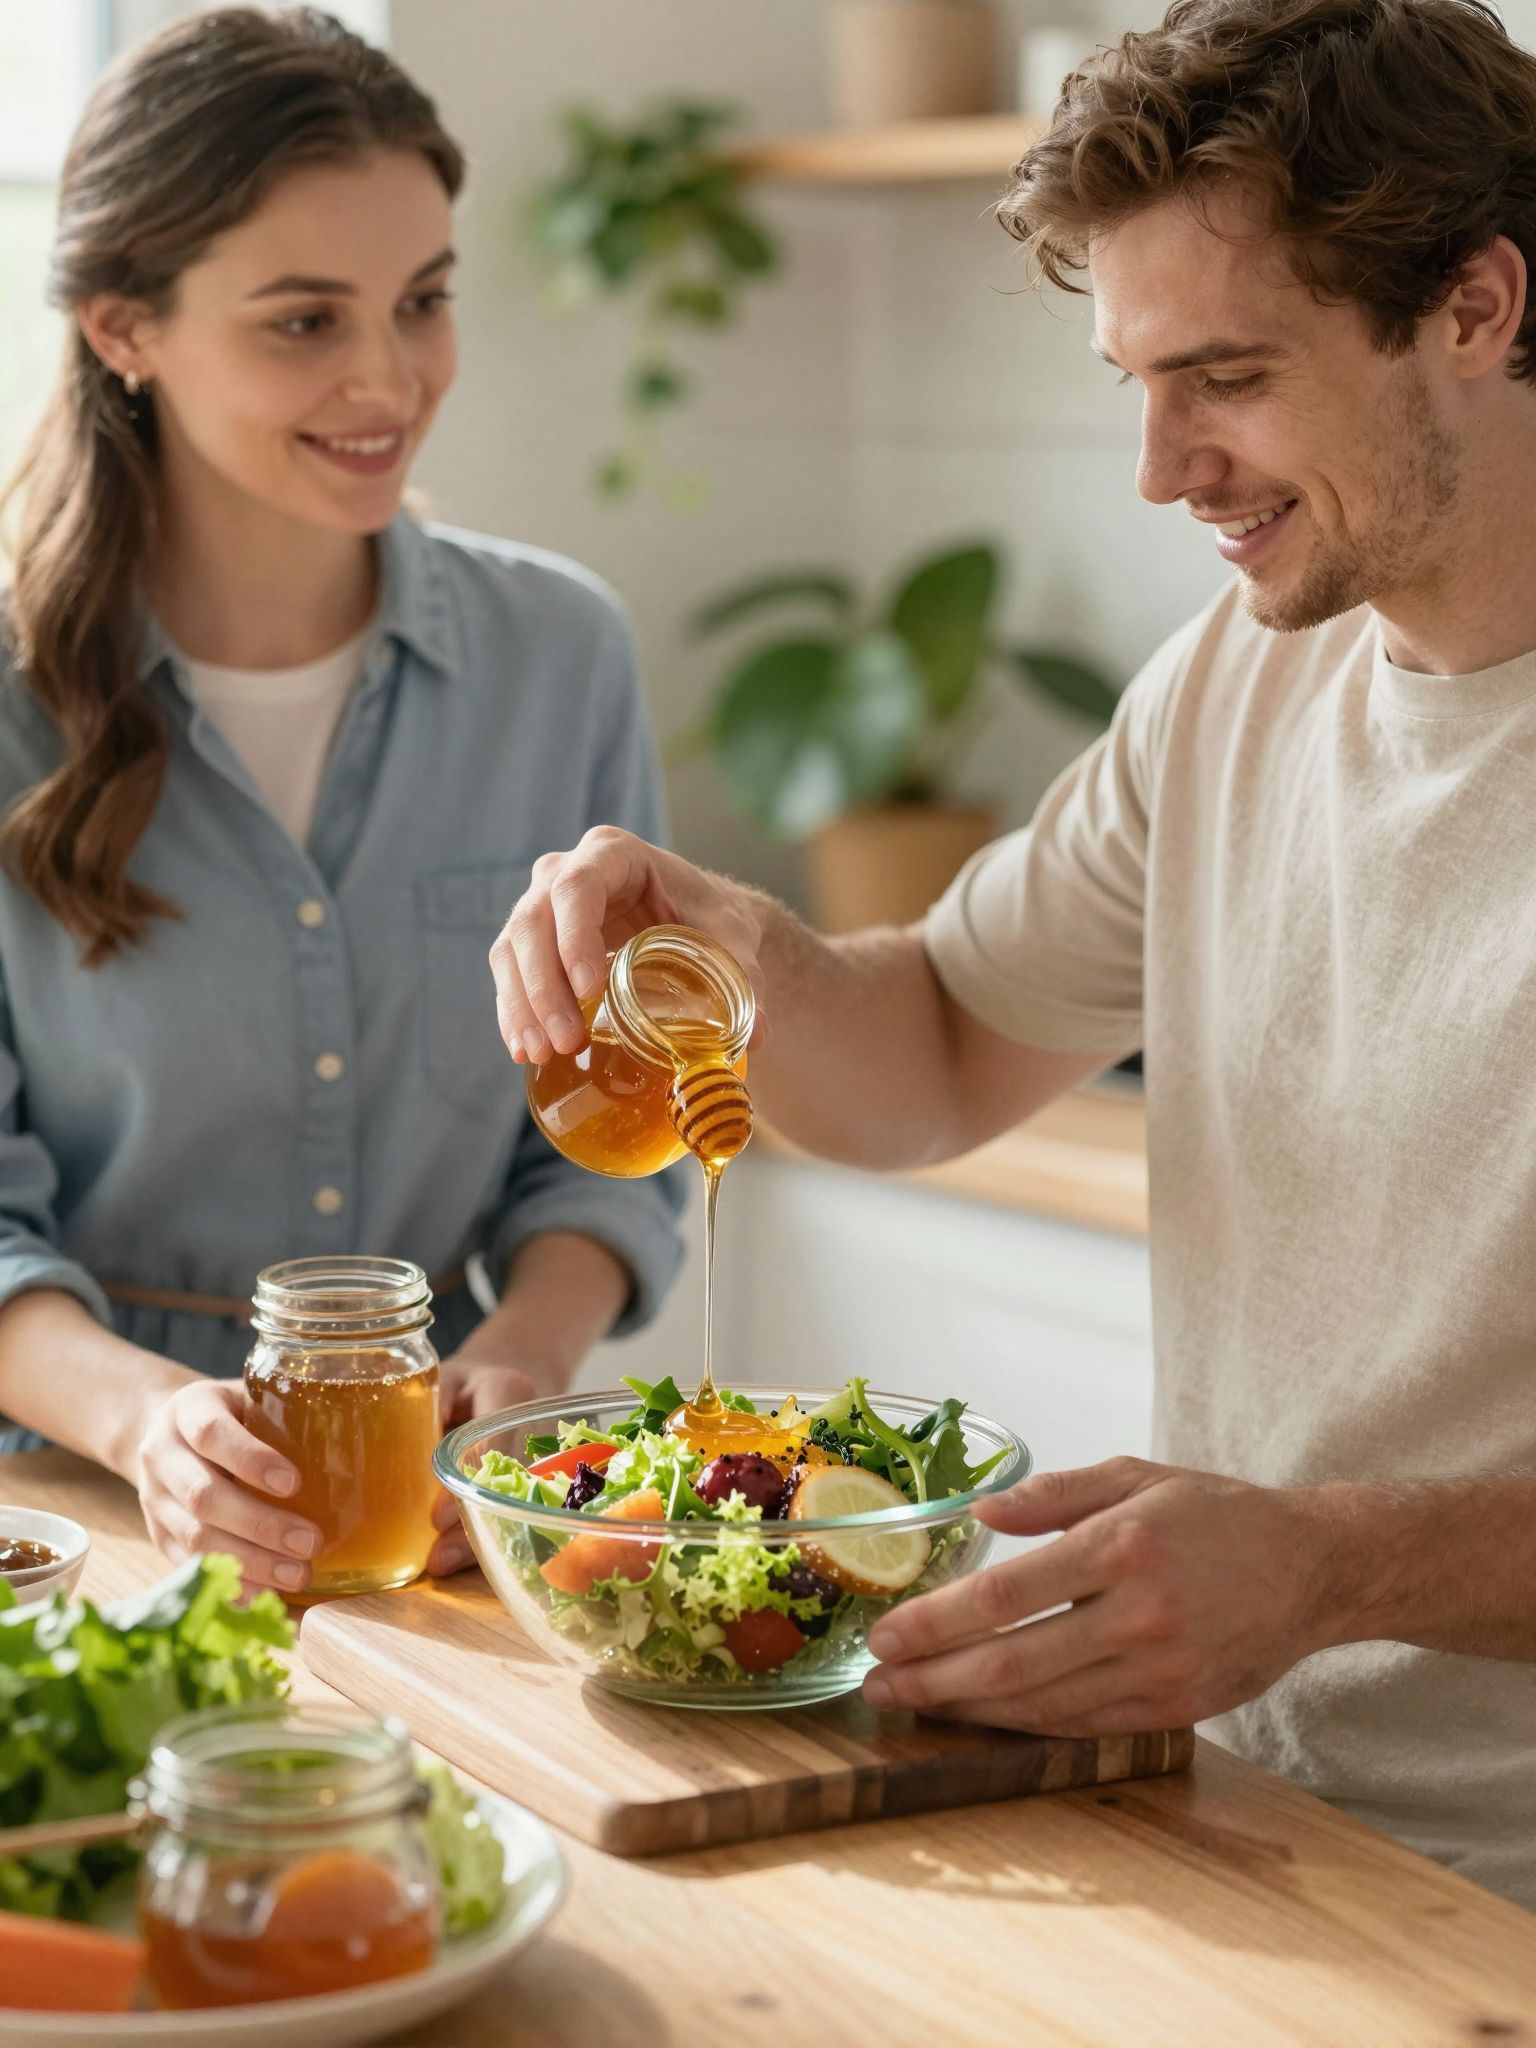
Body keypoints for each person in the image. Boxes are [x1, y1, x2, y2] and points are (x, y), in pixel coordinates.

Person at [494, 0, 1536, 1910]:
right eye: (1132, 378)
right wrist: (742, 942)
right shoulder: (1238, 676)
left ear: (1473, 306)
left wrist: (1333, 1561)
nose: (1160, 468)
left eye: (1224, 374)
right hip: (1246, 1818)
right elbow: (940, 1049)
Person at [0, 7, 683, 1597]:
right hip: (68, 1540)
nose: (390, 379)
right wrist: (155, 1427)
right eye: (303, 321)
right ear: (124, 327)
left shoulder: (559, 654)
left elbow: (607, 1133)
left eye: (424, 300)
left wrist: (523, 1358)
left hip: (433, 1533)